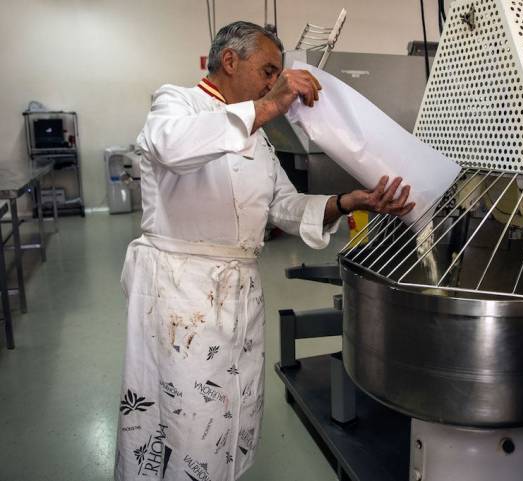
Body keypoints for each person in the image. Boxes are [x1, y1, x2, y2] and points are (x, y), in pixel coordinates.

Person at [114, 21, 414, 481]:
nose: (274, 82)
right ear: (230, 60)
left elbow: (281, 205)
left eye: (277, 75)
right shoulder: (177, 101)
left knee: (228, 411)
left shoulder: (257, 136)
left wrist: (345, 202)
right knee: (184, 417)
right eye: (268, 70)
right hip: (181, 293)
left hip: (238, 290)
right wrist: (270, 105)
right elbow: (168, 145)